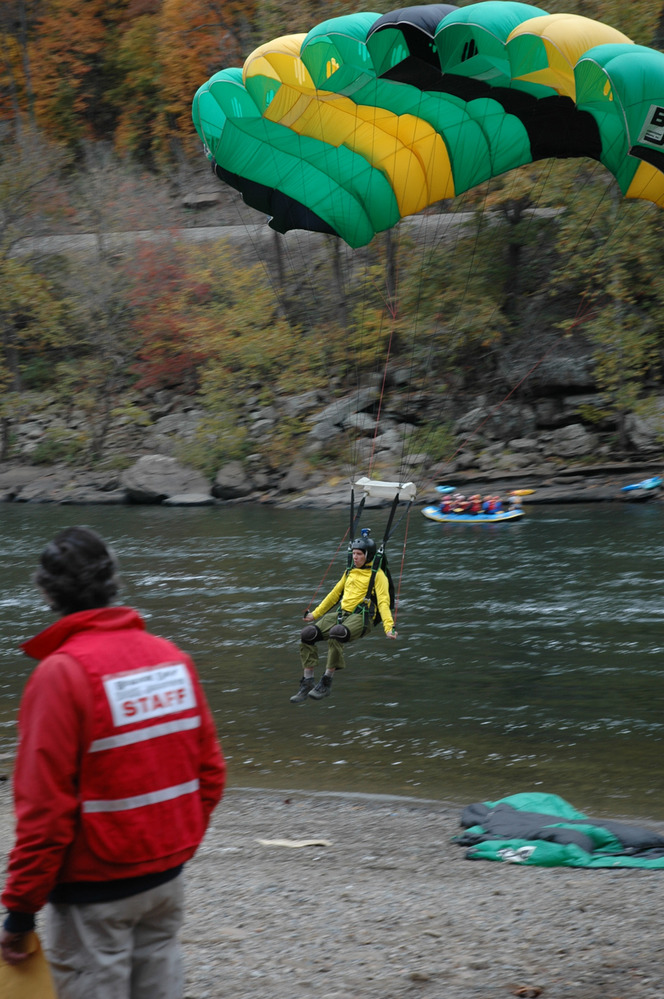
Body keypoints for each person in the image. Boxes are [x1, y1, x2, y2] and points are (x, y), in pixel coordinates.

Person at [0, 526, 226, 999]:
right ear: (112, 581)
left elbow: (44, 813)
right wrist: (174, 841)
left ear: (45, 590)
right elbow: (210, 773)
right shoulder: (171, 659)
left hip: (94, 890)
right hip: (165, 880)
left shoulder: (61, 674)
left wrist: (20, 911)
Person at [290, 534, 397, 703]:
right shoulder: (349, 572)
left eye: (359, 554)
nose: (355, 557)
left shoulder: (378, 575)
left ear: (368, 555)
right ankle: (307, 682)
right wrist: (315, 614)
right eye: (353, 553)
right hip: (343, 614)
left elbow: (384, 602)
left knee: (337, 632)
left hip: (363, 617)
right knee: (307, 634)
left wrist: (389, 627)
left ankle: (326, 682)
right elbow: (334, 595)